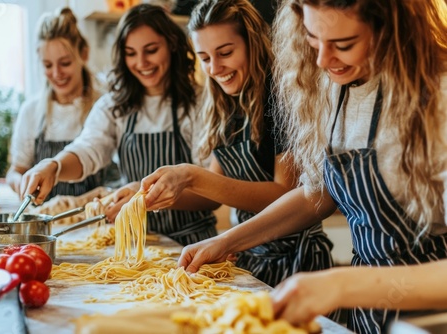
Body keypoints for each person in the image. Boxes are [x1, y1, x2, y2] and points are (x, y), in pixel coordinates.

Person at [167, 0, 447, 332]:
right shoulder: (334, 87)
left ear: (392, 31)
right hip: (368, 314)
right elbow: (318, 194)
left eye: (343, 45)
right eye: (313, 40)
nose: (322, 60)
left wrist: (340, 285)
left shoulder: (437, 100)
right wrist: (226, 241)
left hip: (429, 315)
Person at [141, 0, 334, 288]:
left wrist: (192, 175)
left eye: (226, 53)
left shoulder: (281, 96)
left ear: (252, 43)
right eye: (205, 58)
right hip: (248, 256)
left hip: (296, 261)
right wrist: (147, 194)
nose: (216, 68)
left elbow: (285, 192)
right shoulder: (226, 104)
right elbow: (214, 192)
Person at [18, 4, 217, 246]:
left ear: (172, 45)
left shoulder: (201, 103)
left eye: (151, 50)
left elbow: (212, 193)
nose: (141, 62)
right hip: (136, 243)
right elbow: (89, 148)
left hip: (193, 243)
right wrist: (54, 166)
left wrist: (145, 197)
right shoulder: (115, 105)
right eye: (131, 53)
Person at [6, 7, 106, 200]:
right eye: (48, 65)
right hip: (44, 222)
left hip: (95, 222)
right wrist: (22, 184)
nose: (56, 73)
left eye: (65, 63)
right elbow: (15, 171)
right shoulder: (31, 112)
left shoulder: (103, 107)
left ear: (83, 54)